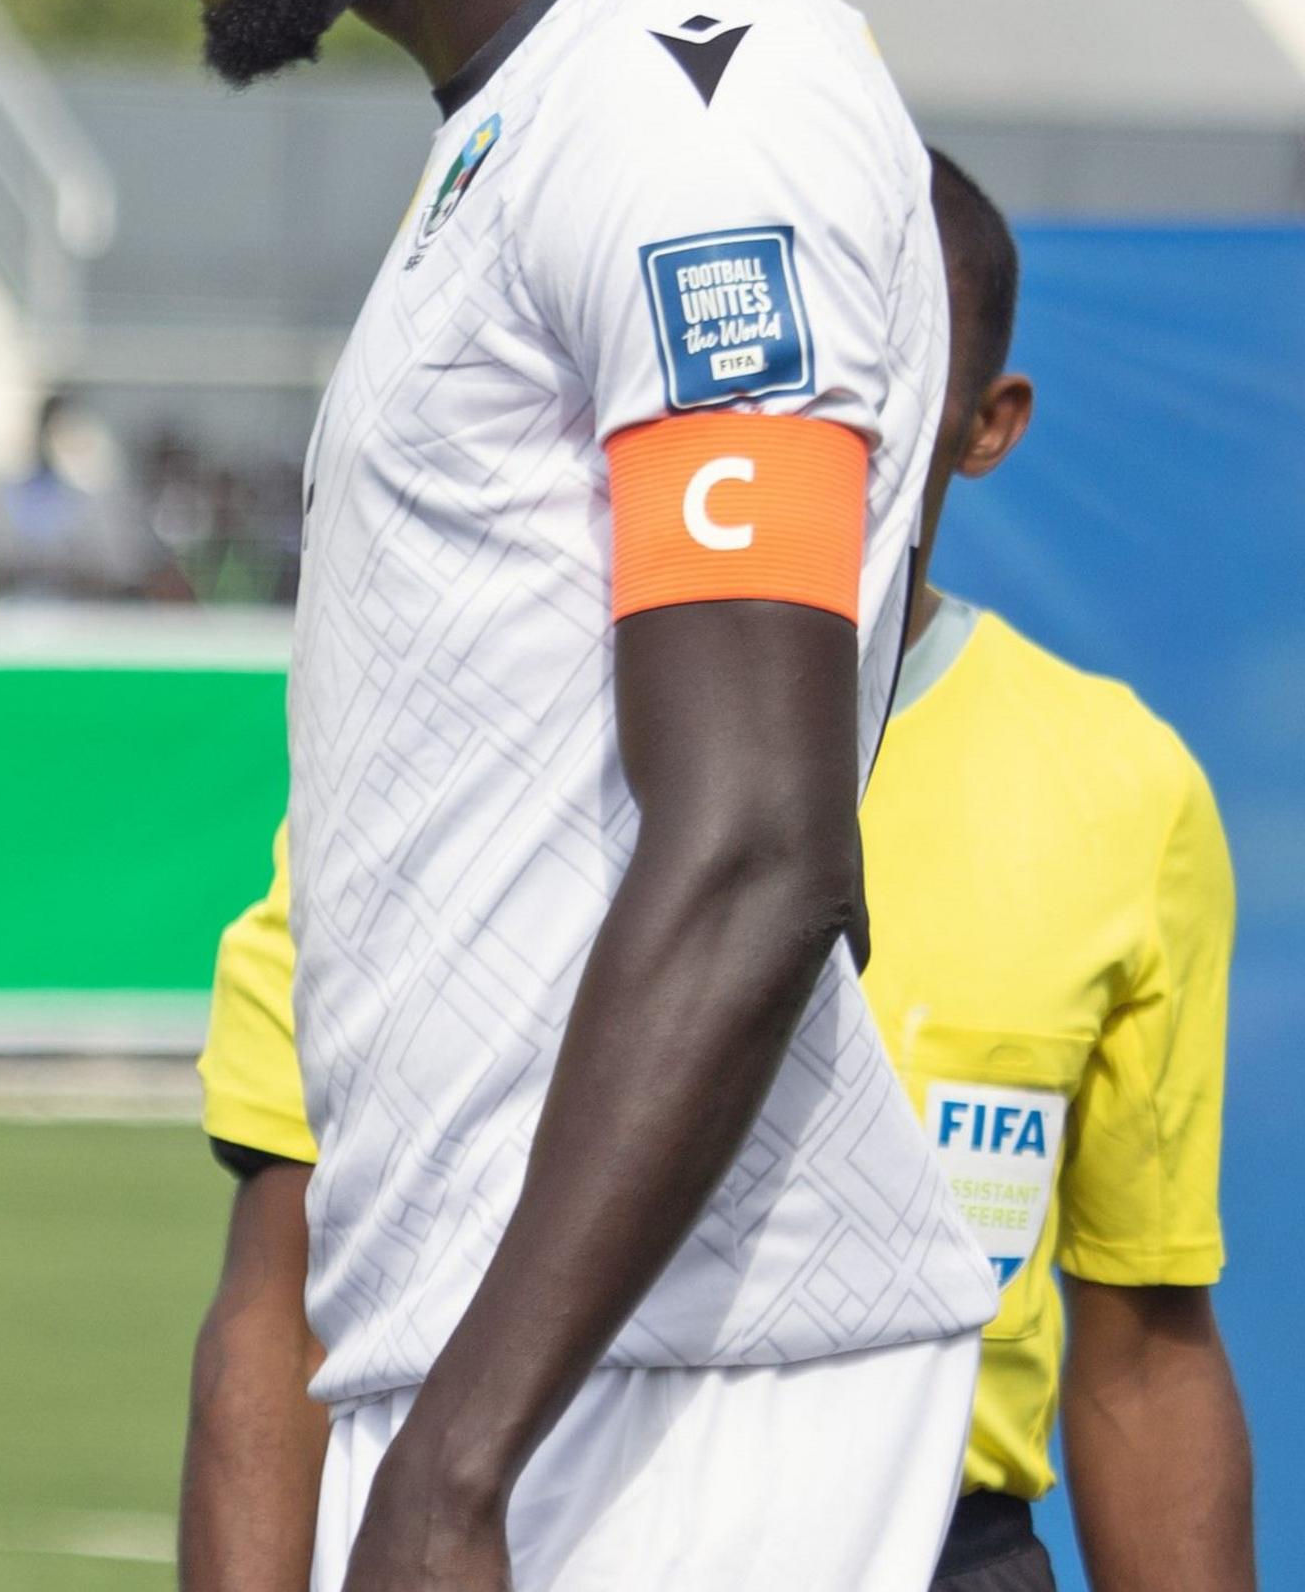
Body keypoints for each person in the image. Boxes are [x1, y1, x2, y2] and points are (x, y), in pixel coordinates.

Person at [65, 0, 1001, 1588]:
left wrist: (466, 1462)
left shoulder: (700, 115)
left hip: (662, 1387)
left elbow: (759, 838)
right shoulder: (531, 119)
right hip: (544, 1364)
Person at [180, 152, 1258, 1592]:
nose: (793, 427)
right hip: (524, 1534)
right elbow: (279, 1308)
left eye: (870, 382)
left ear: (984, 424)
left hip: (943, 1544)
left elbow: (1143, 1353)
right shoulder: (426, 769)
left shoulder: (1120, 789)